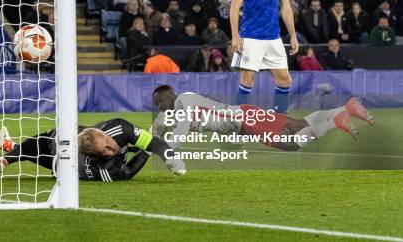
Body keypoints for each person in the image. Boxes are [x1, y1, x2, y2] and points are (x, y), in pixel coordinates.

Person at [150, 85, 374, 151]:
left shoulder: (184, 104)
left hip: (245, 121)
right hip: (245, 114)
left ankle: (335, 122)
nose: (160, 108)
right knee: (297, 124)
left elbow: (178, 135)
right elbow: (159, 123)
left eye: (160, 102)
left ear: (169, 96)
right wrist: (148, 137)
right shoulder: (178, 104)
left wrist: (157, 148)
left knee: (291, 144)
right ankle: (347, 108)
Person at [0, 118, 186, 181]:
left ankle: (7, 154)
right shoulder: (109, 171)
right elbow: (131, 168)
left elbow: (152, 141)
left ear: (102, 131)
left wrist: (170, 157)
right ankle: (8, 152)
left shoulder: (117, 128)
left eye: (108, 141)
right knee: (42, 146)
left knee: (37, 146)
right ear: (99, 156)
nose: (113, 145)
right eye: (108, 148)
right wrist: (148, 151)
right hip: (62, 164)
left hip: (63, 148)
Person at [230, 0, 299, 114]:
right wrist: (235, 37)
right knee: (247, 81)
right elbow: (234, 7)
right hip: (251, 36)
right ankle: (237, 125)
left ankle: (278, 122)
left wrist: (293, 35)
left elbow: (285, 7)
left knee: (285, 80)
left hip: (273, 37)